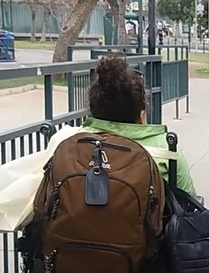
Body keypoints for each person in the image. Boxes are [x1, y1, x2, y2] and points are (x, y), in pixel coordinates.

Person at [82, 56, 196, 196]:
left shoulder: (70, 142)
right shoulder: (166, 150)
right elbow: (189, 202)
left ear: (93, 111)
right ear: (142, 115)